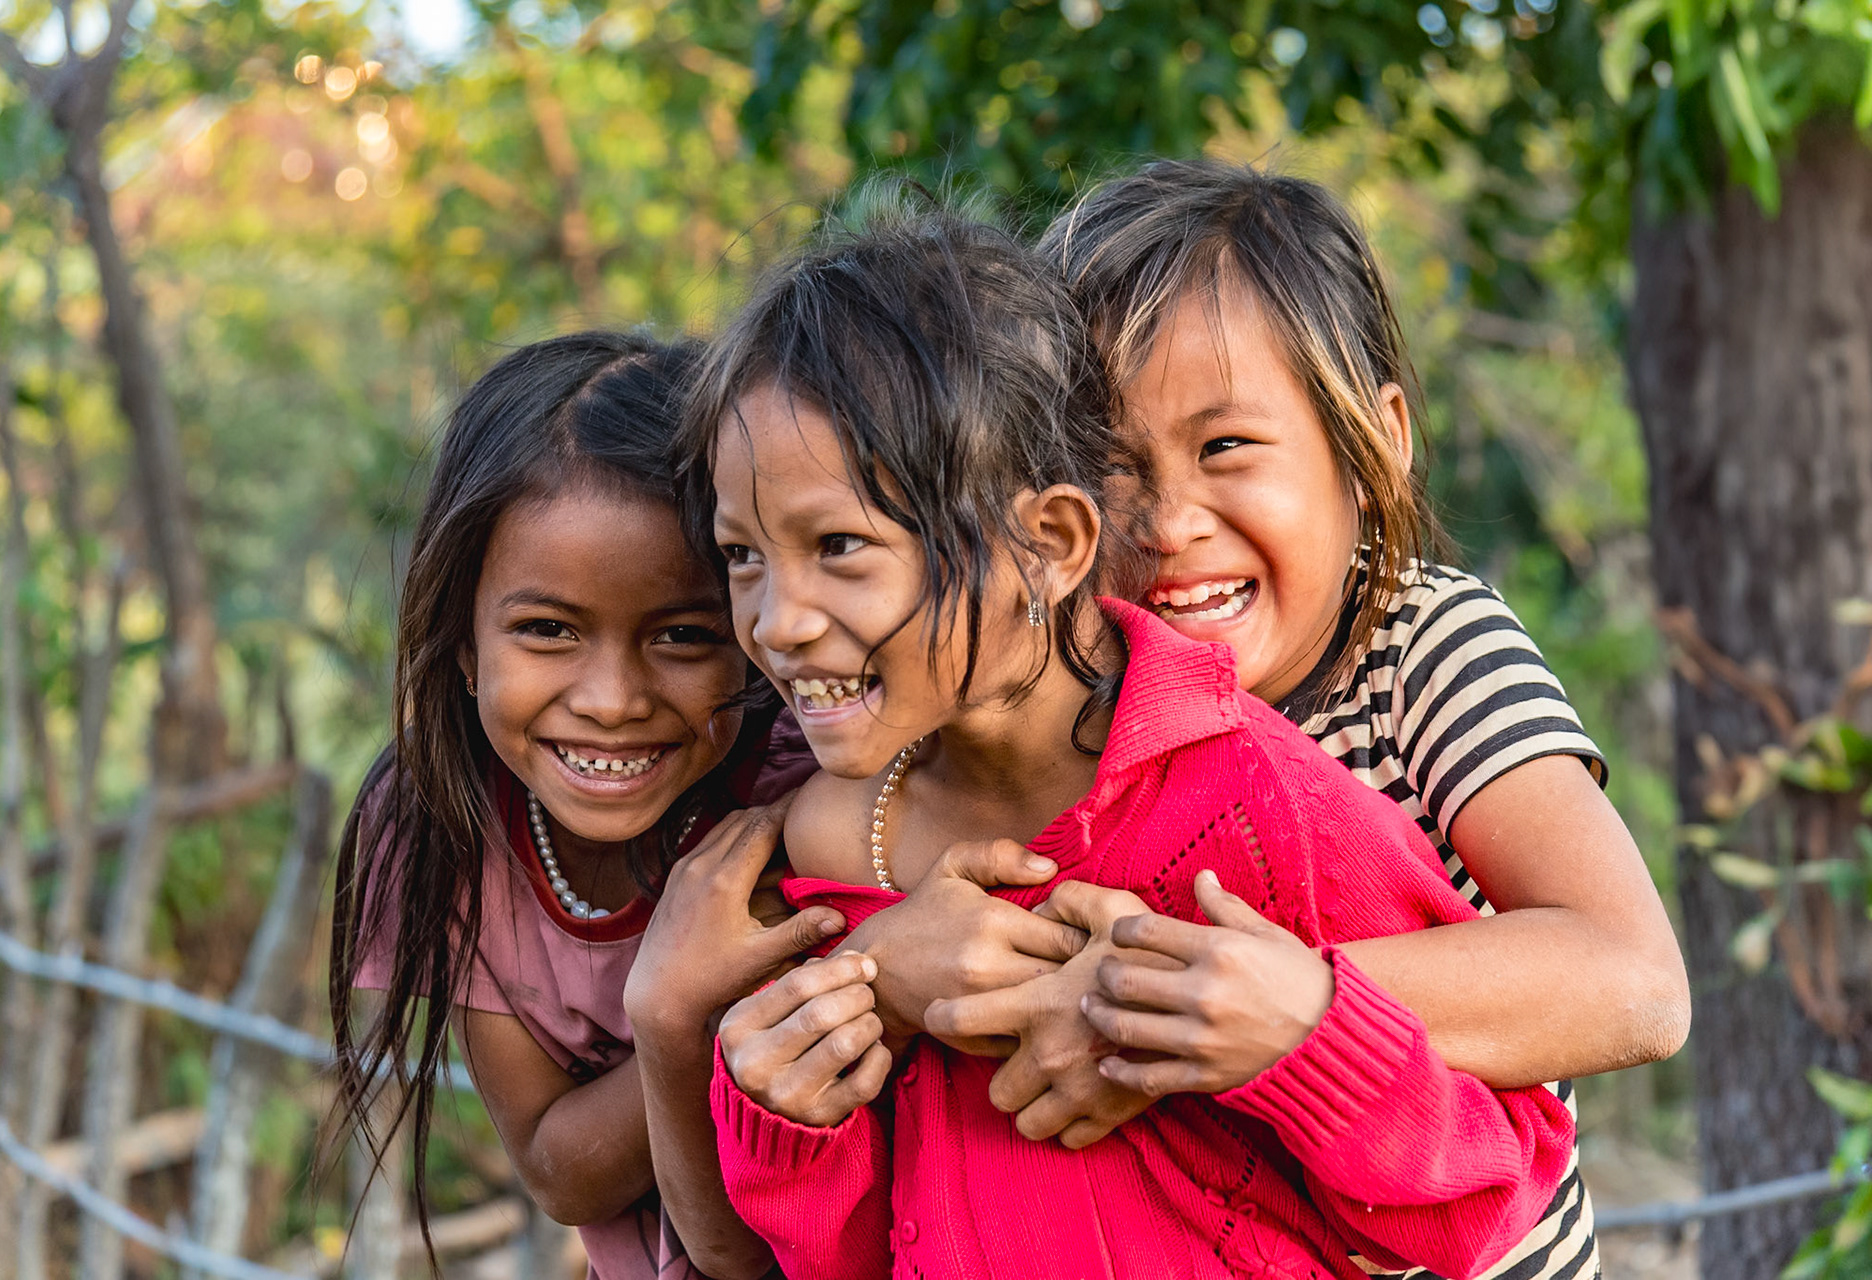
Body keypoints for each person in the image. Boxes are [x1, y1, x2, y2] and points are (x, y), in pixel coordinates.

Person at [684, 200, 1574, 1280]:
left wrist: (1250, 1023)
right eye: (741, 555)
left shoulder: (1271, 801)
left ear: (1050, 541)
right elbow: (855, 1245)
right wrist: (786, 1104)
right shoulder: (829, 845)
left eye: (840, 545)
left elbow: (1482, 1188)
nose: (775, 619)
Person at [890, 161, 1691, 1280]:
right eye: (1113, 465)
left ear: (1376, 444)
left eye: (1226, 449)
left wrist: (1206, 1005)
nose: (1169, 521)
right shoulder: (1067, 698)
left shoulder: (1420, 649)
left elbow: (1633, 980)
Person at [326, 331, 829, 1280]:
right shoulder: (437, 824)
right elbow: (560, 1171)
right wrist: (679, 1013)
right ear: (464, 645)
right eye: (548, 630)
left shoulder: (809, 789)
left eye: (683, 635)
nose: (611, 700)